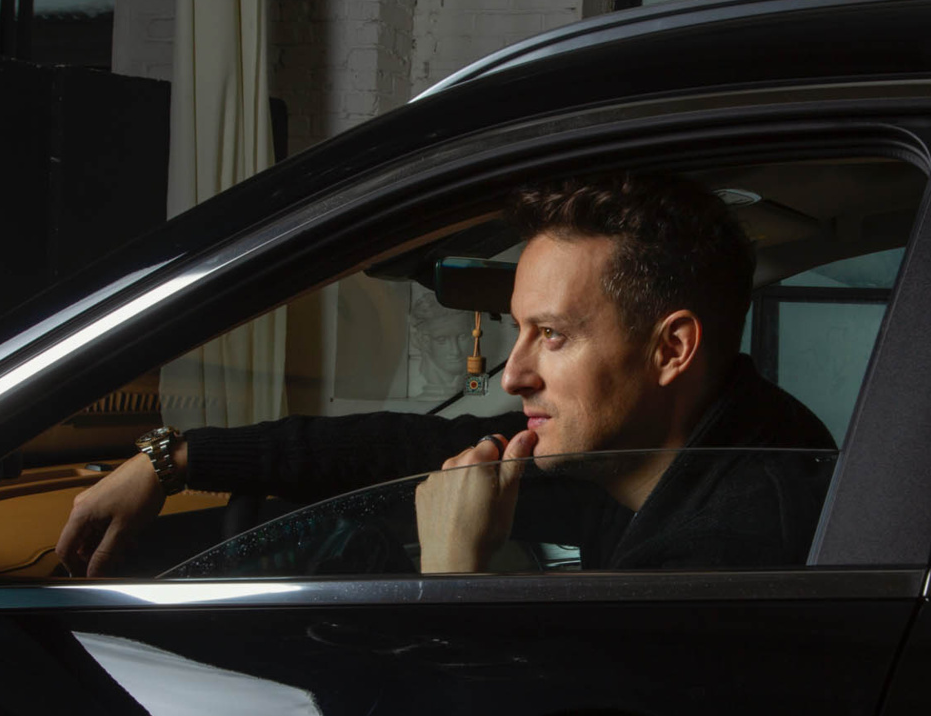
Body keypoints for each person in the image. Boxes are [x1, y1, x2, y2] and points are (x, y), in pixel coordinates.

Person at [57, 172, 835, 577]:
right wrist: (173, 458)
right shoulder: (655, 446)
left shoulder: (728, 548)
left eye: (552, 336)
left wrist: (454, 567)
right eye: (517, 331)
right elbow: (409, 448)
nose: (514, 374)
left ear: (671, 350)